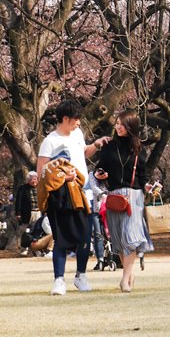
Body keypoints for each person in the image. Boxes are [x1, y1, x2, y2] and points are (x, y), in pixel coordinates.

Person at [37, 99, 110, 296]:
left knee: (85, 237)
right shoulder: (50, 141)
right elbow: (42, 171)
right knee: (61, 238)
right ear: (66, 119)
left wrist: (96, 144)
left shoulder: (77, 134)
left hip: (83, 194)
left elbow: (83, 152)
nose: (79, 123)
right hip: (60, 198)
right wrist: (62, 177)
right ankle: (59, 280)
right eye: (76, 119)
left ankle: (81, 275)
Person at [95, 111, 154, 292]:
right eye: (117, 123)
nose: (118, 127)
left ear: (131, 126)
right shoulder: (108, 147)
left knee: (130, 236)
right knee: (119, 239)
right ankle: (129, 275)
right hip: (114, 197)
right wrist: (100, 173)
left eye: (122, 124)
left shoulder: (139, 149)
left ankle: (125, 279)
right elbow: (100, 167)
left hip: (134, 196)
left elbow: (143, 174)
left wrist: (147, 187)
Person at [15, 171, 40, 254]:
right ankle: (24, 248)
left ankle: (37, 248)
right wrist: (18, 213)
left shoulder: (40, 187)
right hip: (28, 213)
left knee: (38, 229)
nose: (34, 181)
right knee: (26, 230)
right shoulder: (23, 188)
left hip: (38, 212)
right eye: (32, 179)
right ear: (28, 180)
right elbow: (18, 201)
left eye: (35, 179)